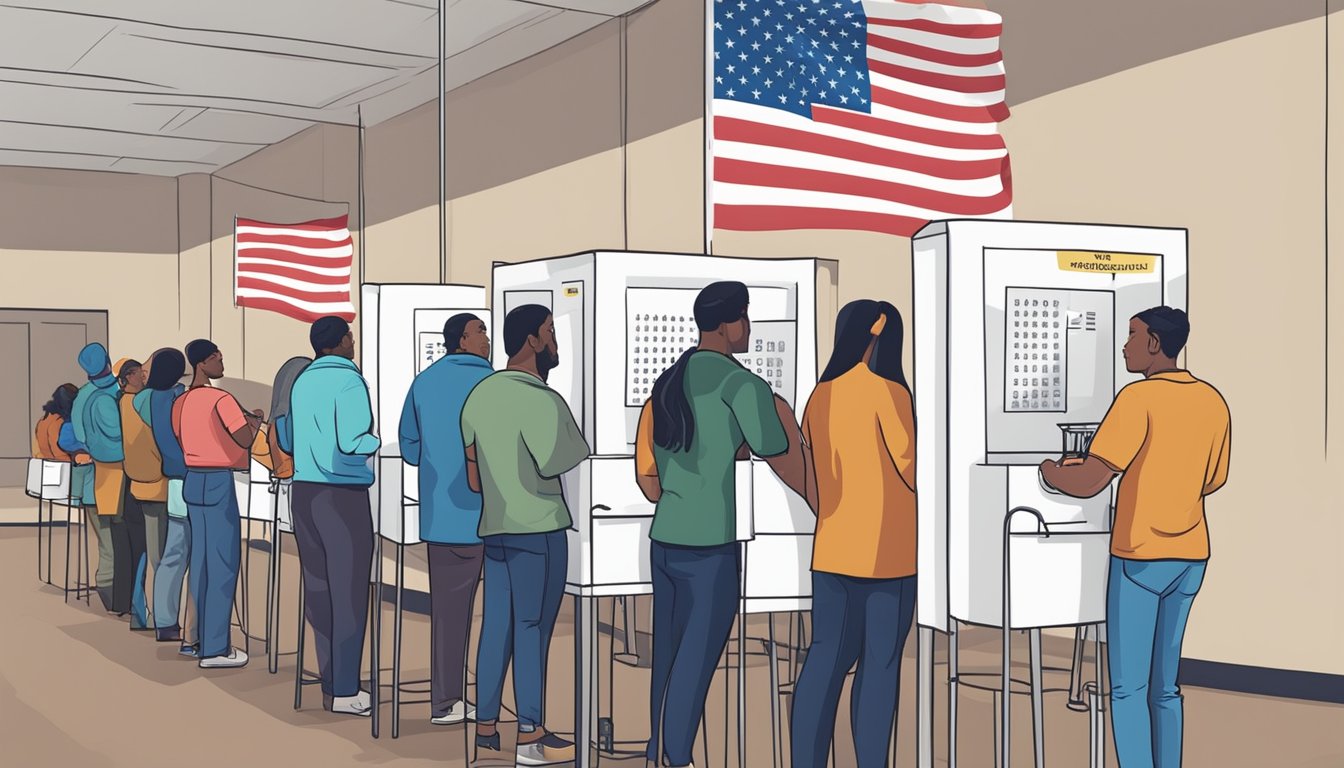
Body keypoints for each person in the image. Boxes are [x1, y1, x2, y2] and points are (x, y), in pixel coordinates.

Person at [1040, 306, 1230, 768]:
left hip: (1141, 556)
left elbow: (1089, 480)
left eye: (1131, 335)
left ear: (1153, 343)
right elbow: (1214, 479)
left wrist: (1049, 472)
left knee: (1127, 688)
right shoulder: (1212, 400)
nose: (1124, 345)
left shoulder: (1137, 398)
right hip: (1191, 556)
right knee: (1165, 686)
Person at [633, 281, 806, 768]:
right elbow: (775, 446)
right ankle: (678, 756)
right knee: (698, 656)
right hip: (710, 544)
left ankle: (657, 750)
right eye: (745, 318)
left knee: (667, 654)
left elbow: (665, 456)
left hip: (665, 537)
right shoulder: (741, 384)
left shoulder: (671, 377)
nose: (748, 328)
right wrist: (783, 413)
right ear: (729, 323)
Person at [790, 300, 918, 768]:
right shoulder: (890, 393)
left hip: (832, 552)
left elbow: (813, 470)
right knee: (879, 669)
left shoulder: (820, 395)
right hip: (889, 555)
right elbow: (910, 468)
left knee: (823, 662)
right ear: (880, 332)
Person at [462, 305, 589, 766]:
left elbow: (474, 478)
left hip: (495, 530)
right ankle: (532, 736)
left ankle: (488, 728)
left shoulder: (479, 395)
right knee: (533, 629)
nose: (555, 341)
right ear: (532, 341)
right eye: (550, 332)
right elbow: (562, 460)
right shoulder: (542, 399)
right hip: (539, 529)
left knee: (496, 626)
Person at [399, 313, 493, 726]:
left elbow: (409, 447)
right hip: (496, 515)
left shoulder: (424, 382)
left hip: (443, 515)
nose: (486, 339)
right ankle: (493, 704)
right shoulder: (493, 382)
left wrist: (440, 460)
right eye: (480, 332)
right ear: (461, 340)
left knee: (450, 614)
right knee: (503, 617)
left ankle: (446, 701)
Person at [288, 317, 379, 717]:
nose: (353, 342)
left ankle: (330, 679)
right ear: (341, 341)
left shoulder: (302, 379)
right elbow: (353, 439)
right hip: (342, 495)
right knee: (350, 593)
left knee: (321, 592)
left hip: (304, 492)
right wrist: (379, 439)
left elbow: (289, 438)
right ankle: (345, 689)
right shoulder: (349, 379)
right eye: (351, 336)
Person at [173, 339, 263, 669]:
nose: (221, 363)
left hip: (193, 481)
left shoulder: (180, 403)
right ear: (202, 363)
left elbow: (180, 438)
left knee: (200, 562)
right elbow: (245, 439)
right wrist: (254, 419)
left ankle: (193, 639)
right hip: (218, 480)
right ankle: (216, 648)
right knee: (223, 563)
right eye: (216, 358)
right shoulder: (221, 399)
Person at [138, 348, 198, 655]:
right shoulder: (180, 397)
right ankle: (195, 631)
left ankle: (165, 621)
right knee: (198, 556)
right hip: (195, 477)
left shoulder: (149, 400)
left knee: (172, 555)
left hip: (173, 479)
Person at [72, 343, 131, 614]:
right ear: (108, 361)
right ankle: (113, 594)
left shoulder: (82, 397)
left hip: (89, 483)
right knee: (116, 541)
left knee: (106, 541)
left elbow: (79, 439)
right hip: (113, 480)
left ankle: (109, 589)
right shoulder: (115, 396)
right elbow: (123, 438)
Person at [113, 357, 155, 631]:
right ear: (129, 376)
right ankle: (138, 607)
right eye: (140, 373)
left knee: (129, 545)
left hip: (126, 479)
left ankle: (125, 603)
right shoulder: (137, 404)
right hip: (141, 480)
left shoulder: (120, 403)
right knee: (142, 547)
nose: (144, 377)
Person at [33, 384, 79, 463]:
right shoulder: (59, 422)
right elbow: (59, 454)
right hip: (62, 467)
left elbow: (36, 451)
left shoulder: (43, 419)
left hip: (46, 465)